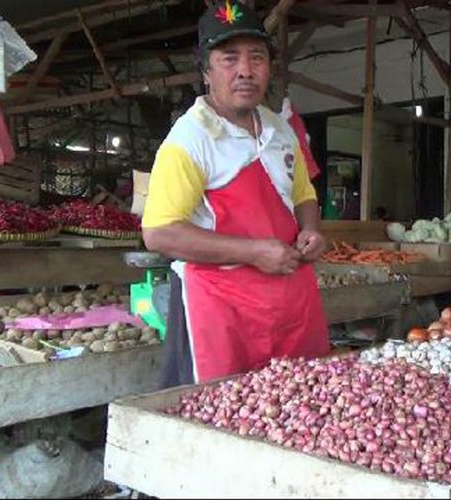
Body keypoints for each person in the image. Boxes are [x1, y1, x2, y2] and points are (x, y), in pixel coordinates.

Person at [141, 2, 329, 386]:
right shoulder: (189, 139)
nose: (245, 70)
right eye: (229, 59)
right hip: (222, 309)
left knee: (302, 406)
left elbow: (303, 196)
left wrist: (311, 229)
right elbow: (159, 233)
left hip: (290, 301)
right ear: (206, 71)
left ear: (269, 67)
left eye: (256, 57)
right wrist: (255, 252)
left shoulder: (280, 130)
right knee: (222, 418)